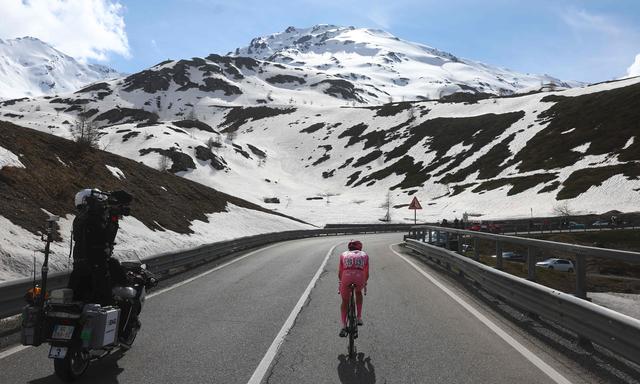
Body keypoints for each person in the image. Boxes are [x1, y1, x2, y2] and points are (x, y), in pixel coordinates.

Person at [67, 188, 129, 305]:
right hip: (96, 266)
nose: (102, 205)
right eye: (98, 201)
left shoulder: (80, 218)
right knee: (106, 302)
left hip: (80, 265)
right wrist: (113, 220)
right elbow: (106, 237)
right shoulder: (92, 218)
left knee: (77, 299)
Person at [338, 240, 369, 337]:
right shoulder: (364, 255)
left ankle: (343, 326)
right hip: (359, 277)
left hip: (346, 277)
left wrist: (341, 282)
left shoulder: (343, 254)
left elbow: (340, 273)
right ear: (360, 248)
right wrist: (365, 282)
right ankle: (359, 317)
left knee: (345, 301)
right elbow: (366, 273)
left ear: (349, 248)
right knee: (358, 292)